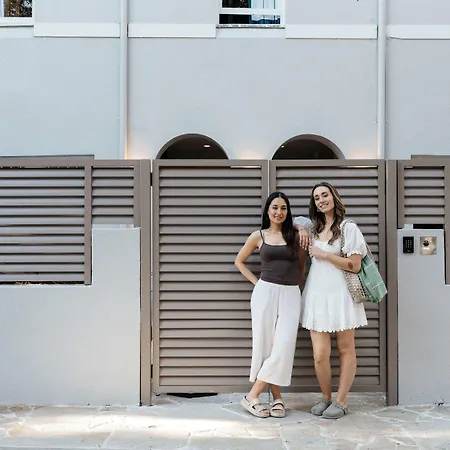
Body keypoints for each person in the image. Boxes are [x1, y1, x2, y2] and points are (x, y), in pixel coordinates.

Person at [295, 181, 368, 419]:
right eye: (316, 198)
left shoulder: (348, 228)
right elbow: (290, 220)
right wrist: (301, 229)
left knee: (345, 349)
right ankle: (326, 397)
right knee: (320, 354)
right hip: (316, 295)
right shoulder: (312, 227)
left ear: (334, 197)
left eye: (324, 195)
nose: (321, 200)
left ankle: (341, 401)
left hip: (341, 295)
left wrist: (325, 254)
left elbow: (355, 265)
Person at [235, 191, 306, 418]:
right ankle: (277, 398)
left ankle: (251, 396)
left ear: (288, 211)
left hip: (291, 294)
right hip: (265, 293)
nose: (279, 212)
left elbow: (302, 267)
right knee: (265, 346)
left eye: (283, 208)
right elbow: (239, 261)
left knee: (283, 346)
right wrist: (257, 283)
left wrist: (300, 228)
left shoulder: (296, 237)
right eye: (275, 207)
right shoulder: (258, 236)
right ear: (267, 210)